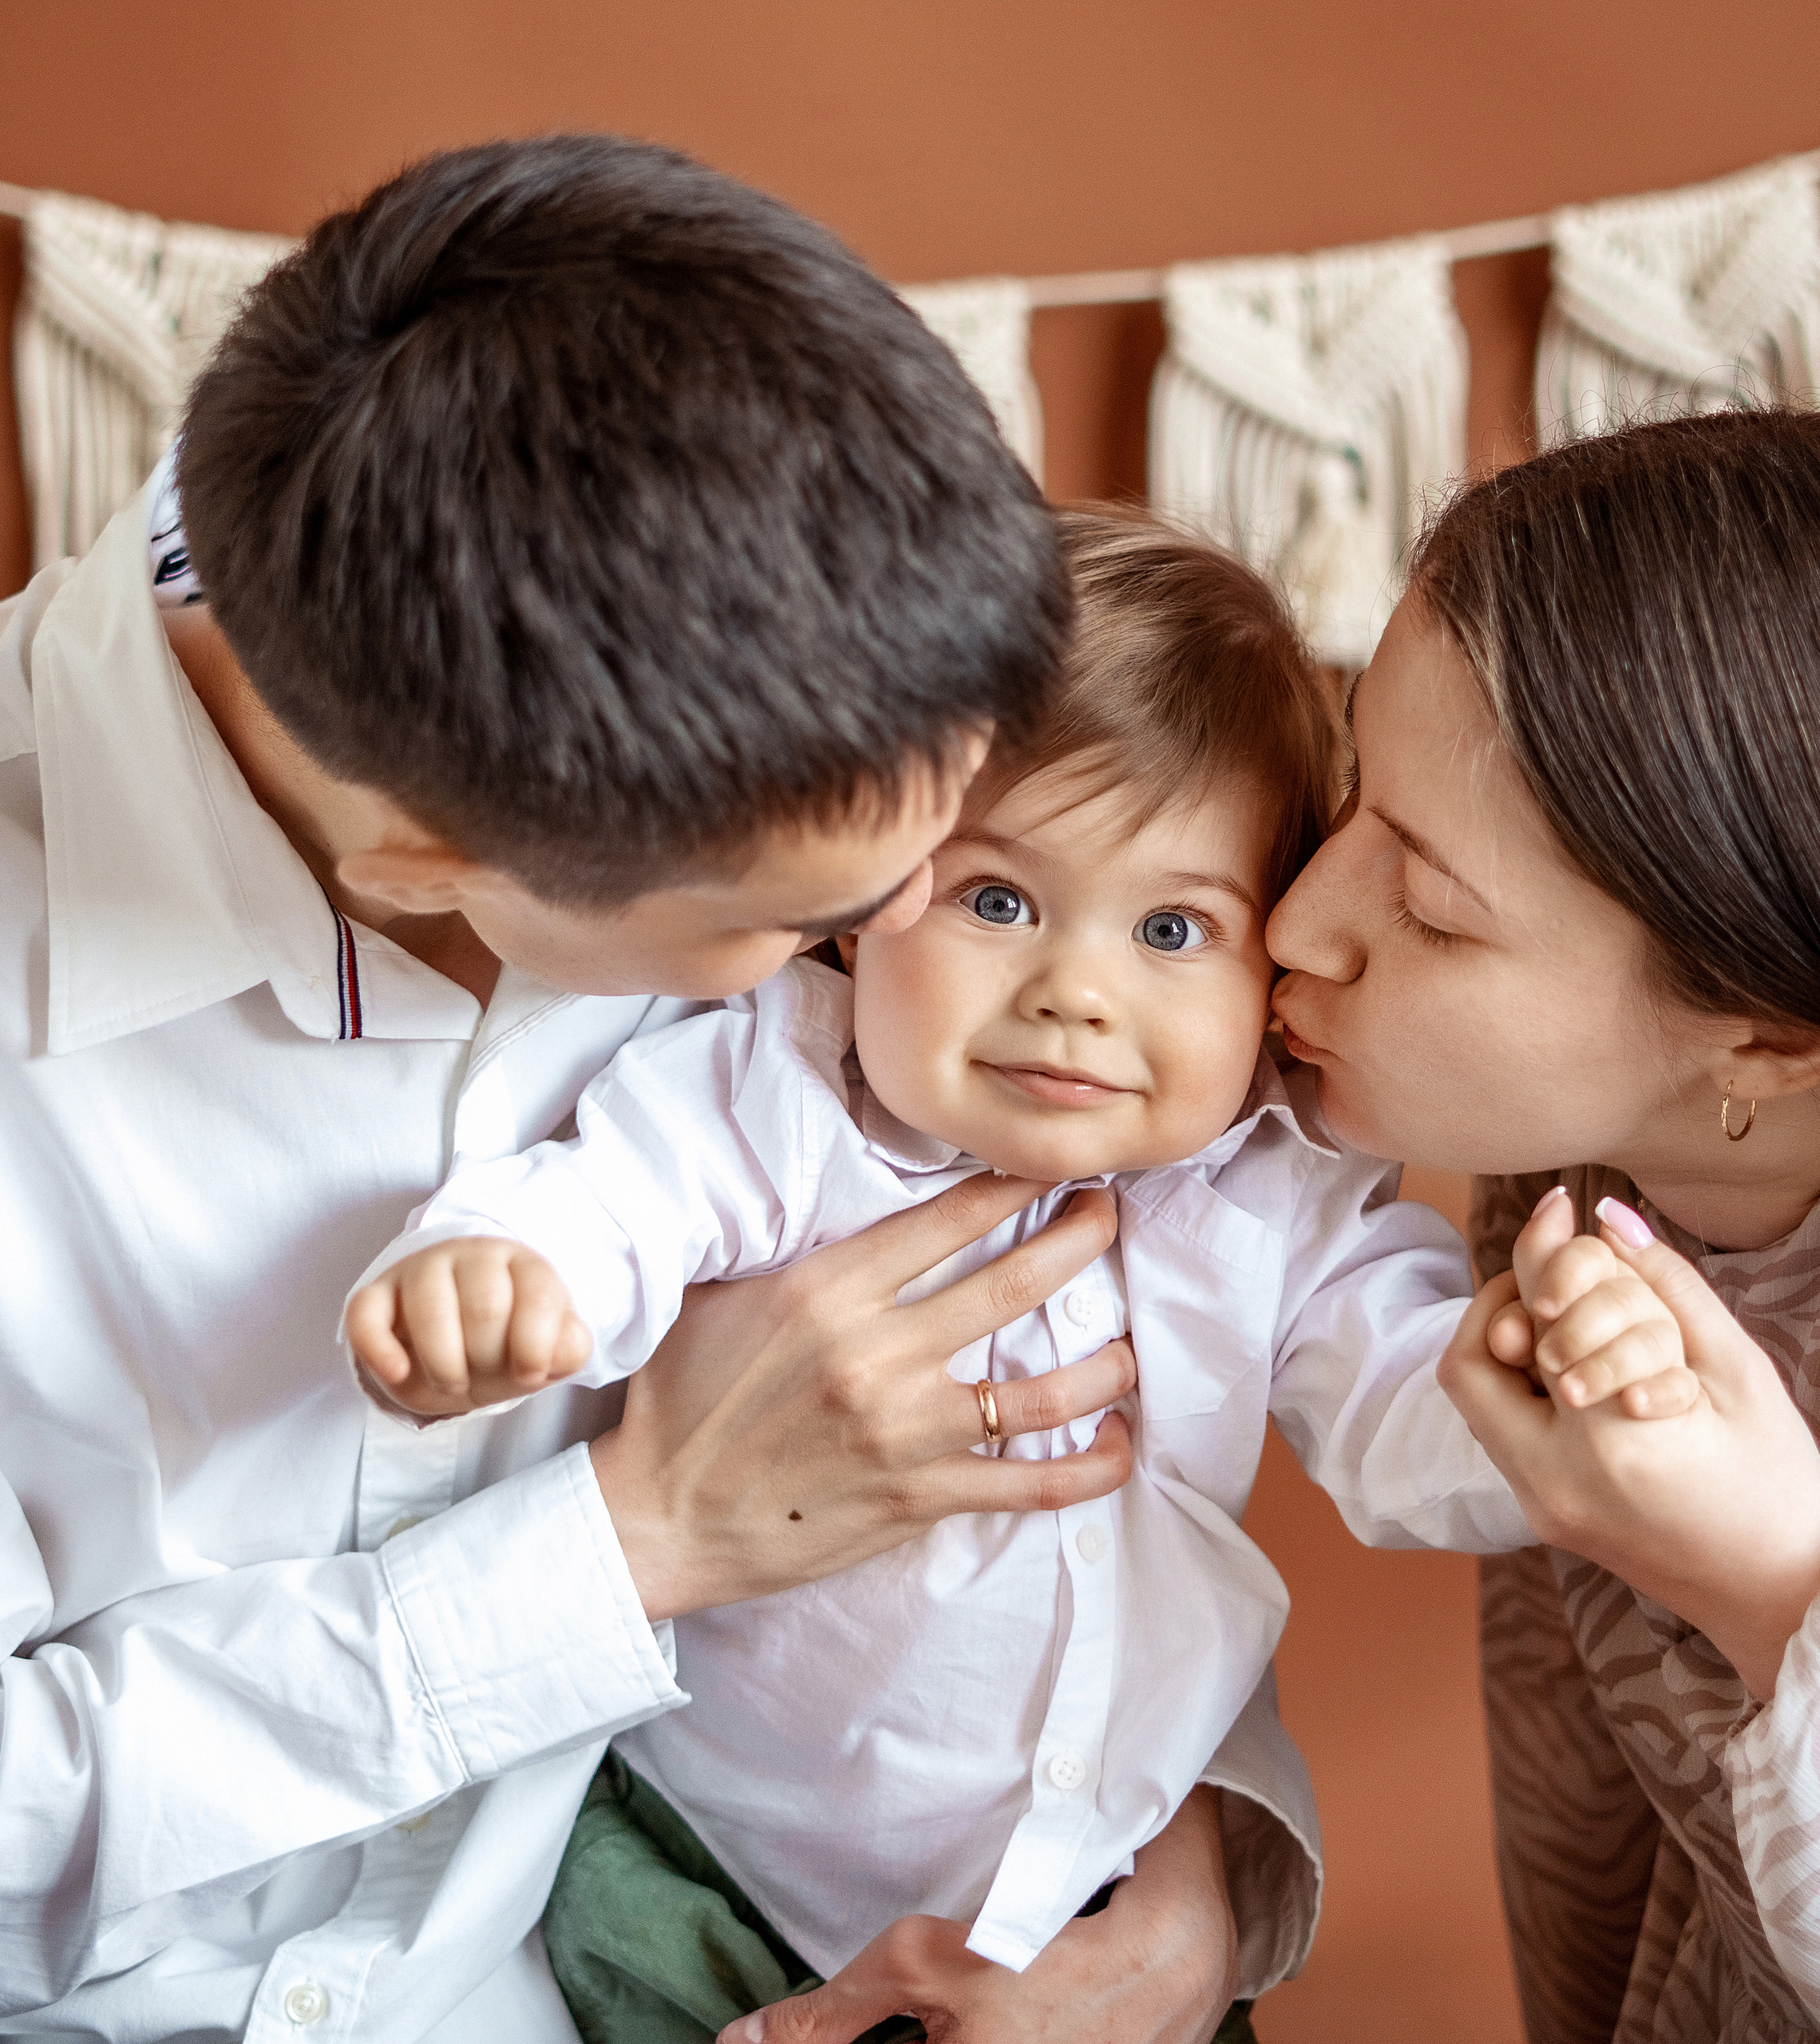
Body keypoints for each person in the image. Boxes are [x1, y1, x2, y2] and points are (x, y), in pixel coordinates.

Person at [0, 138, 1288, 2042]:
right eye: (819, 924)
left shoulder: (736, 747)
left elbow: (1094, 1316)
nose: (910, 954)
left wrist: (1192, 1880)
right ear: (431, 866)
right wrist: (635, 1540)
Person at [346, 512, 1559, 2044]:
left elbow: (1400, 1408)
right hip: (705, 1866)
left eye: (1175, 928)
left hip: (1089, 1904)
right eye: (997, 900)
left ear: (1272, 974)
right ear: (862, 907)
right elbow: (615, 1203)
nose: (1075, 991)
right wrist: (504, 1278)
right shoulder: (783, 1093)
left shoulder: (1269, 1192)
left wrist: (1531, 1404)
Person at [1265, 406, 1820, 2043]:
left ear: (1764, 1032)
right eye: (1353, 796)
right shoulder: (1560, 1197)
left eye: (1421, 903)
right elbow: (1582, 1817)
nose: (1293, 925)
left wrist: (1775, 1584)